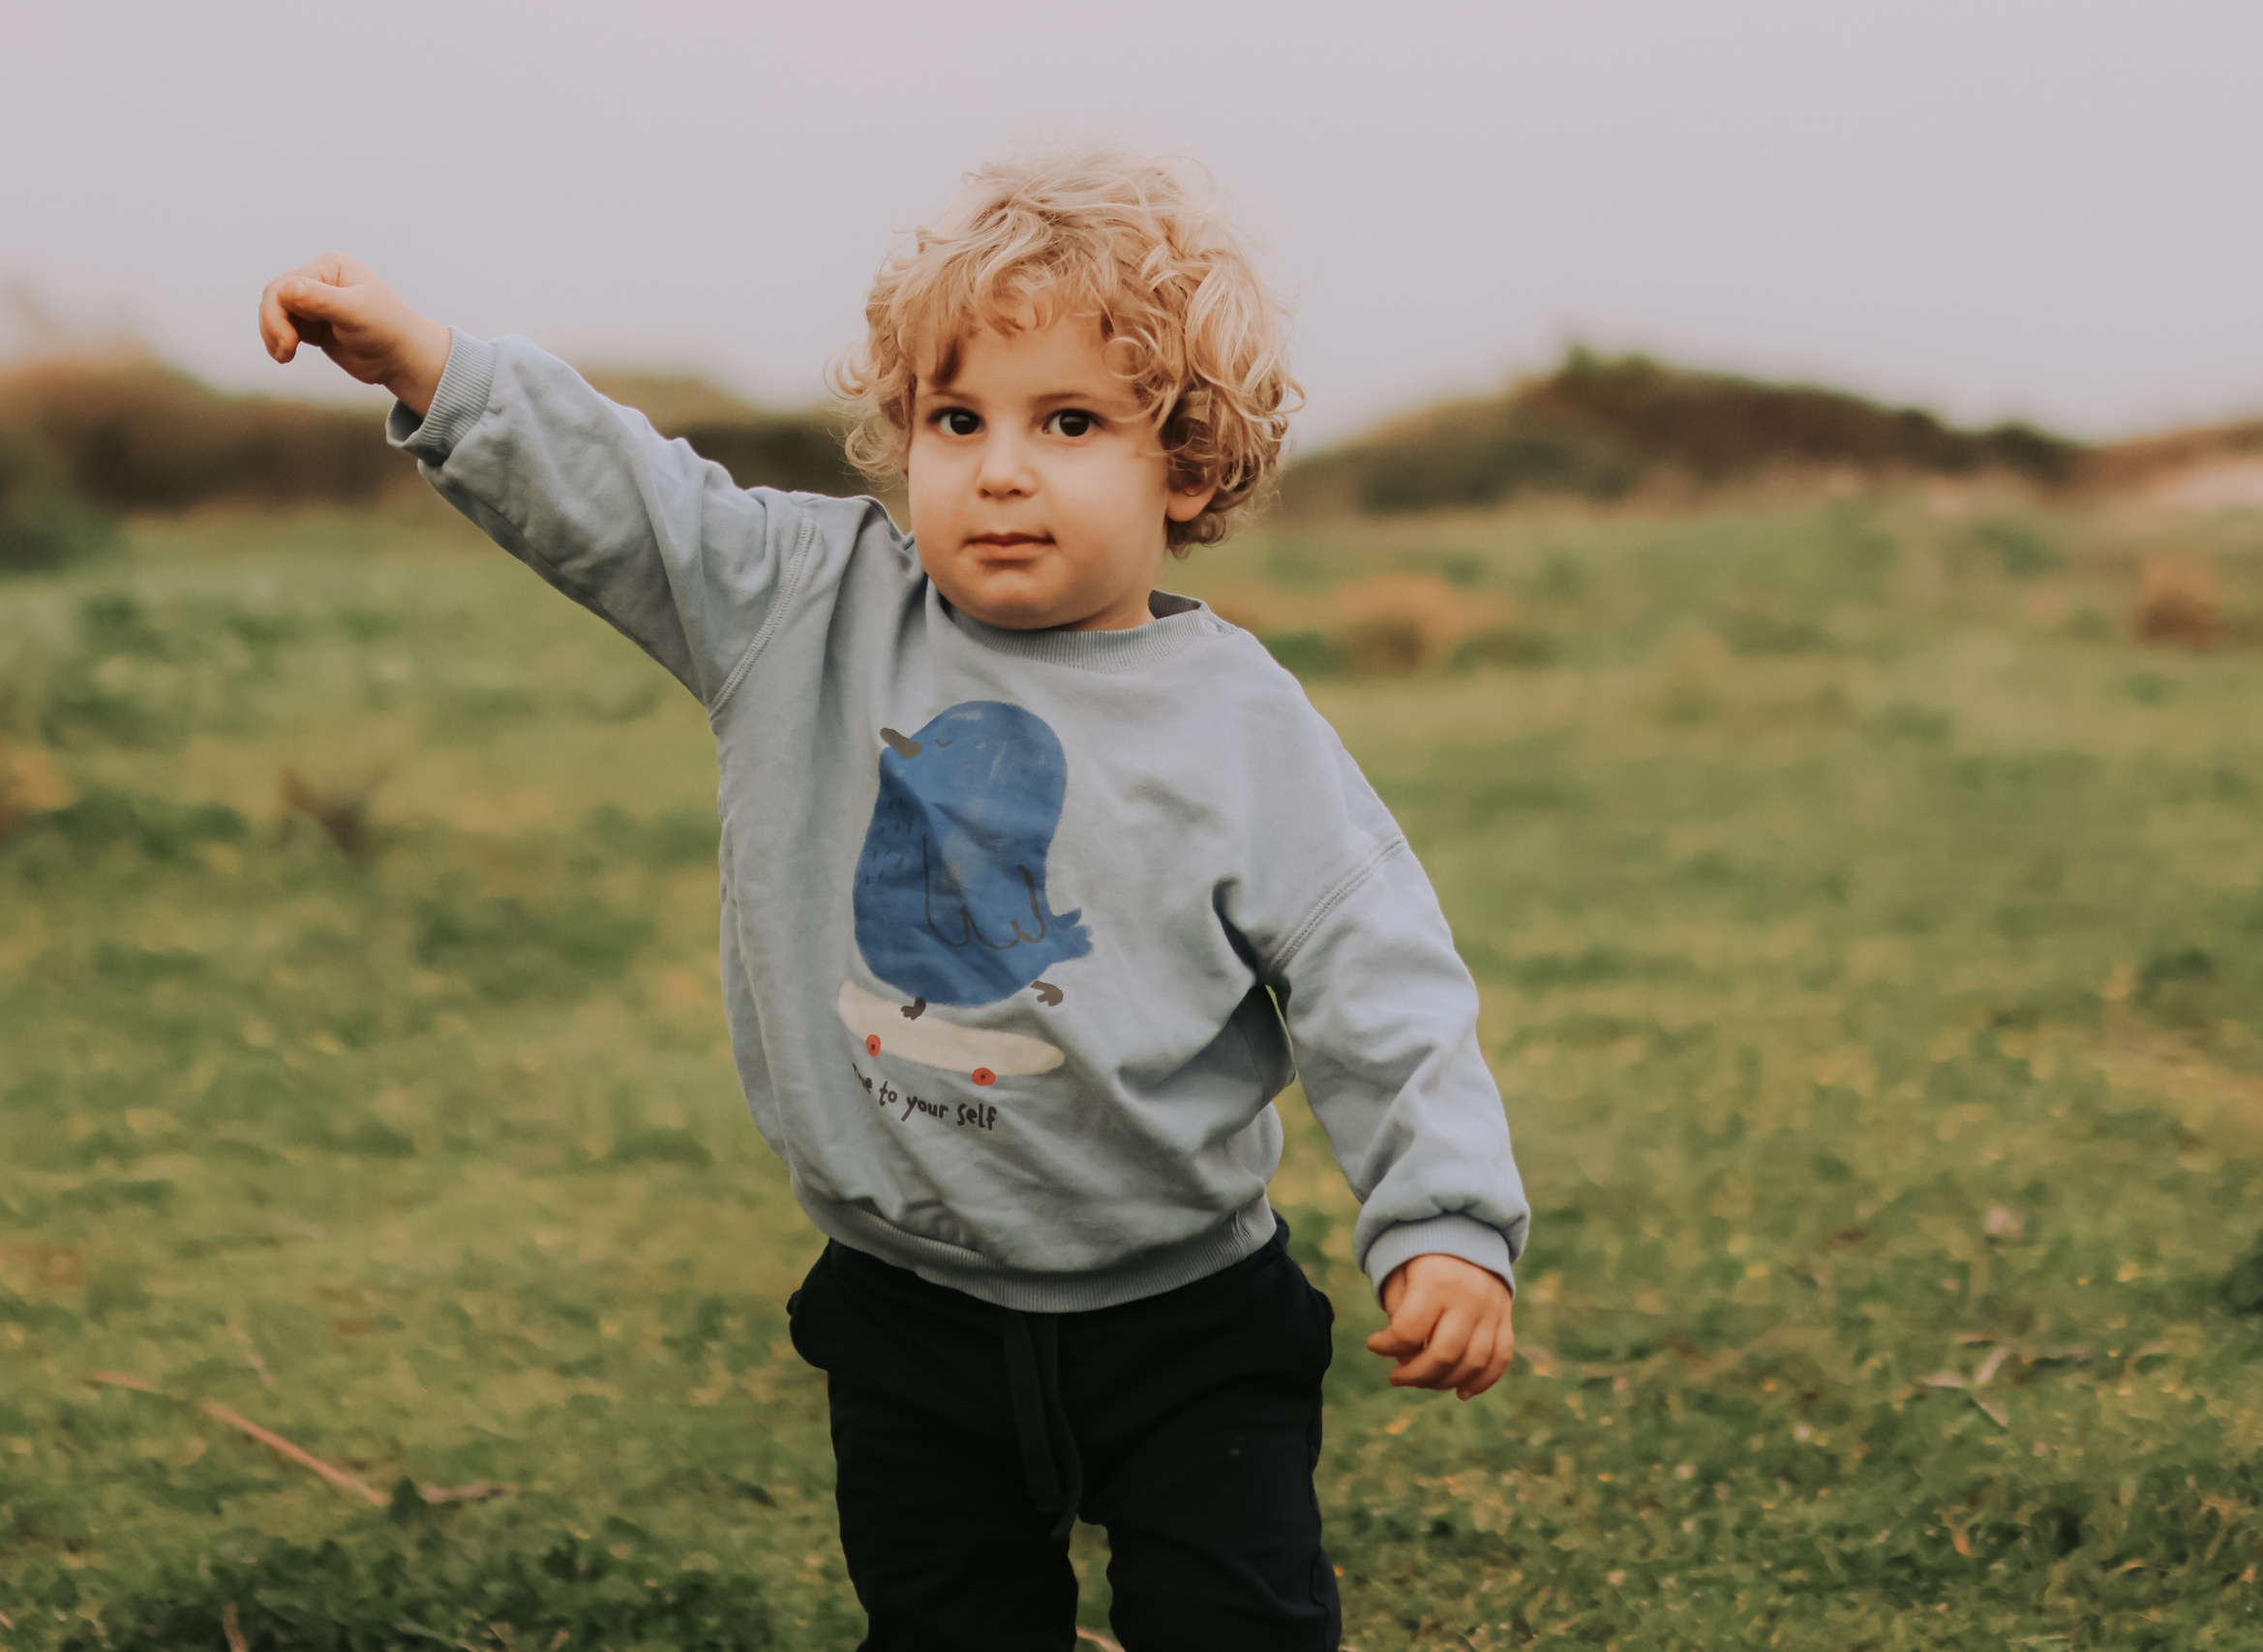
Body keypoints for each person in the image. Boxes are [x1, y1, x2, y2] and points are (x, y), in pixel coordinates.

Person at [256, 147, 1529, 1652]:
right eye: (956, 418)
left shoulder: (1241, 726)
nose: (999, 466)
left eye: (1069, 422)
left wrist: (1443, 1221)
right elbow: (635, 501)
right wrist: (437, 370)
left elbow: (1379, 975)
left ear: (1184, 463)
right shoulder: (808, 609)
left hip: (1186, 1321)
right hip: (908, 1314)